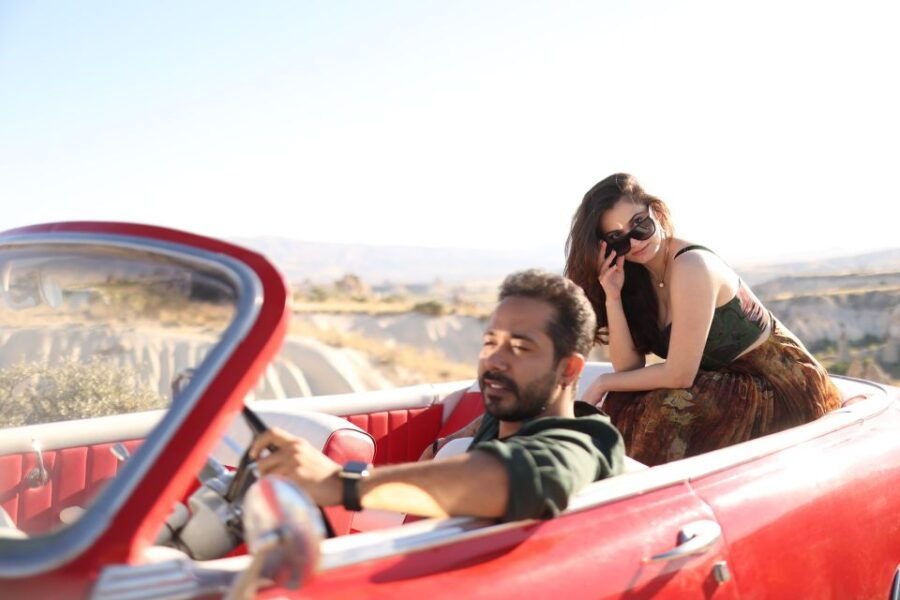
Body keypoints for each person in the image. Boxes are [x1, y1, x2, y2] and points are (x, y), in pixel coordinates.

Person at [251, 270, 624, 522]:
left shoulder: (586, 440)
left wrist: (341, 483)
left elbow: (523, 478)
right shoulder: (516, 410)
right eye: (490, 342)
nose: (494, 359)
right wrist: (450, 439)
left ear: (569, 369)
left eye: (521, 348)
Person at [565, 173, 842, 467]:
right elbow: (628, 368)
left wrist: (602, 383)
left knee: (664, 411)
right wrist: (613, 296)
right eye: (618, 238)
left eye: (640, 224)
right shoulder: (637, 278)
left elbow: (679, 376)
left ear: (656, 213)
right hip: (723, 384)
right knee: (623, 401)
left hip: (778, 387)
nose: (634, 241)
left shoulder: (691, 266)